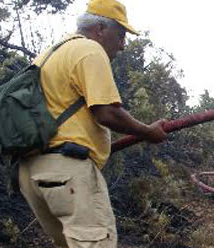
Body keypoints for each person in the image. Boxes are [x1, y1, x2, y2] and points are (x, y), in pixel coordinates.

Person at [17, 0, 167, 247]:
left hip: (31, 174)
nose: (122, 45)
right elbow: (107, 113)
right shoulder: (90, 50)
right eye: (120, 35)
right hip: (67, 171)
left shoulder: (51, 53)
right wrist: (147, 132)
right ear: (99, 29)